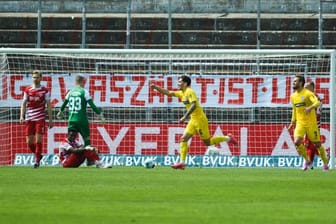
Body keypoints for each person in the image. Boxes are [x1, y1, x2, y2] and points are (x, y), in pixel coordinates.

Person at [151, 75, 238, 170]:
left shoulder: (190, 92)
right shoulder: (182, 93)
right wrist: (156, 87)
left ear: (185, 83)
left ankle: (228, 138)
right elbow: (168, 93)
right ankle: (182, 163)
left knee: (208, 142)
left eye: (180, 82)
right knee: (183, 139)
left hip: (200, 120)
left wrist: (184, 117)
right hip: (193, 120)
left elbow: (194, 105)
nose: (178, 83)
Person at [287, 75, 329, 171]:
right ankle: (307, 160)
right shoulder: (293, 96)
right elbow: (294, 110)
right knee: (297, 142)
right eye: (293, 81)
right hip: (300, 123)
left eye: (295, 81)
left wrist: (310, 108)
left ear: (301, 83)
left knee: (317, 144)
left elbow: (317, 102)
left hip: (311, 123)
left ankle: (325, 164)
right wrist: (292, 122)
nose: (293, 83)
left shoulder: (308, 94)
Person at [56, 75, 105, 147]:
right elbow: (92, 106)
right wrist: (100, 115)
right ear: (82, 82)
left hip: (71, 120)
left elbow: (63, 105)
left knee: (70, 141)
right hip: (82, 120)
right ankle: (88, 158)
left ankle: (68, 157)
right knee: (87, 141)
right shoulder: (84, 92)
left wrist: (60, 112)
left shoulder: (70, 92)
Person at [19, 70, 54, 168]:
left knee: (38, 140)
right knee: (29, 142)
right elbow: (24, 104)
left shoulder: (45, 90)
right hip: (29, 118)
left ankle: (37, 161)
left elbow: (49, 106)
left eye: (37, 77)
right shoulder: (27, 90)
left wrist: (50, 120)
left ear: (41, 78)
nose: (35, 79)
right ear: (32, 78)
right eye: (34, 77)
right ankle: (39, 155)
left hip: (40, 118)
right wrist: (22, 116)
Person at [303, 81, 326, 169]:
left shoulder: (315, 97)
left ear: (312, 87)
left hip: (313, 123)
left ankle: (311, 162)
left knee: (309, 143)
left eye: (307, 87)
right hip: (310, 122)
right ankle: (312, 162)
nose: (305, 89)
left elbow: (315, 112)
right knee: (310, 144)